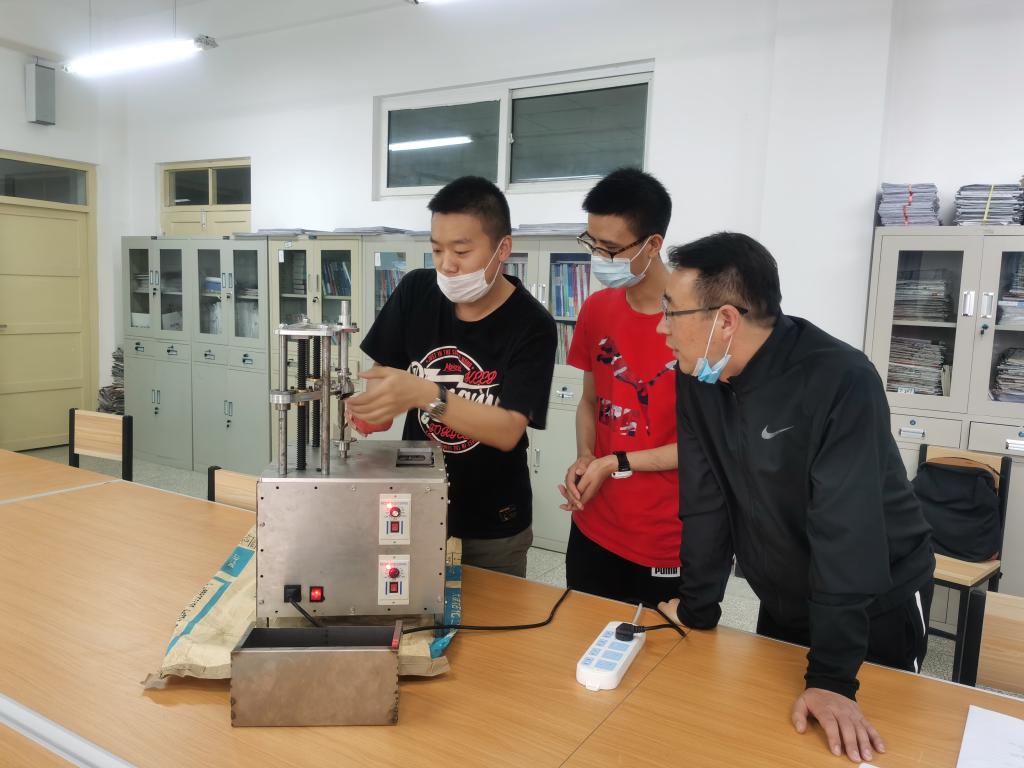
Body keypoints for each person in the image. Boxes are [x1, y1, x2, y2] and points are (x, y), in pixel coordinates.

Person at [655, 232, 934, 763]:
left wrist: (832, 678)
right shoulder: (697, 377)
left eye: (671, 310)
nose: (661, 325)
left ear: (725, 320)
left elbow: (845, 529)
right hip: (784, 595)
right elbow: (706, 499)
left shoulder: (840, 379)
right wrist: (698, 608)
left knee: (873, 748)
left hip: (874, 601)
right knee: (774, 741)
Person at [348, 176, 556, 577]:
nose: (447, 264)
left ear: (503, 249)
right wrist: (372, 410)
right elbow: (383, 379)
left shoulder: (532, 325)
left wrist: (426, 394)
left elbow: (507, 430)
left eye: (461, 251)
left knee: (492, 616)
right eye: (437, 249)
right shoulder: (416, 291)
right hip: (416, 502)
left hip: (492, 523)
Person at [557, 168, 681, 605]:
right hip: (594, 526)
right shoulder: (597, 309)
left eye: (610, 249)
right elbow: (590, 401)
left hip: (663, 539)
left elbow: (704, 444)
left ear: (653, 244)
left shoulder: (693, 322)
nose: (598, 257)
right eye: (591, 243)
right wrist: (586, 456)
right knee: (579, 634)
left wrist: (615, 462)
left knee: (657, 645)